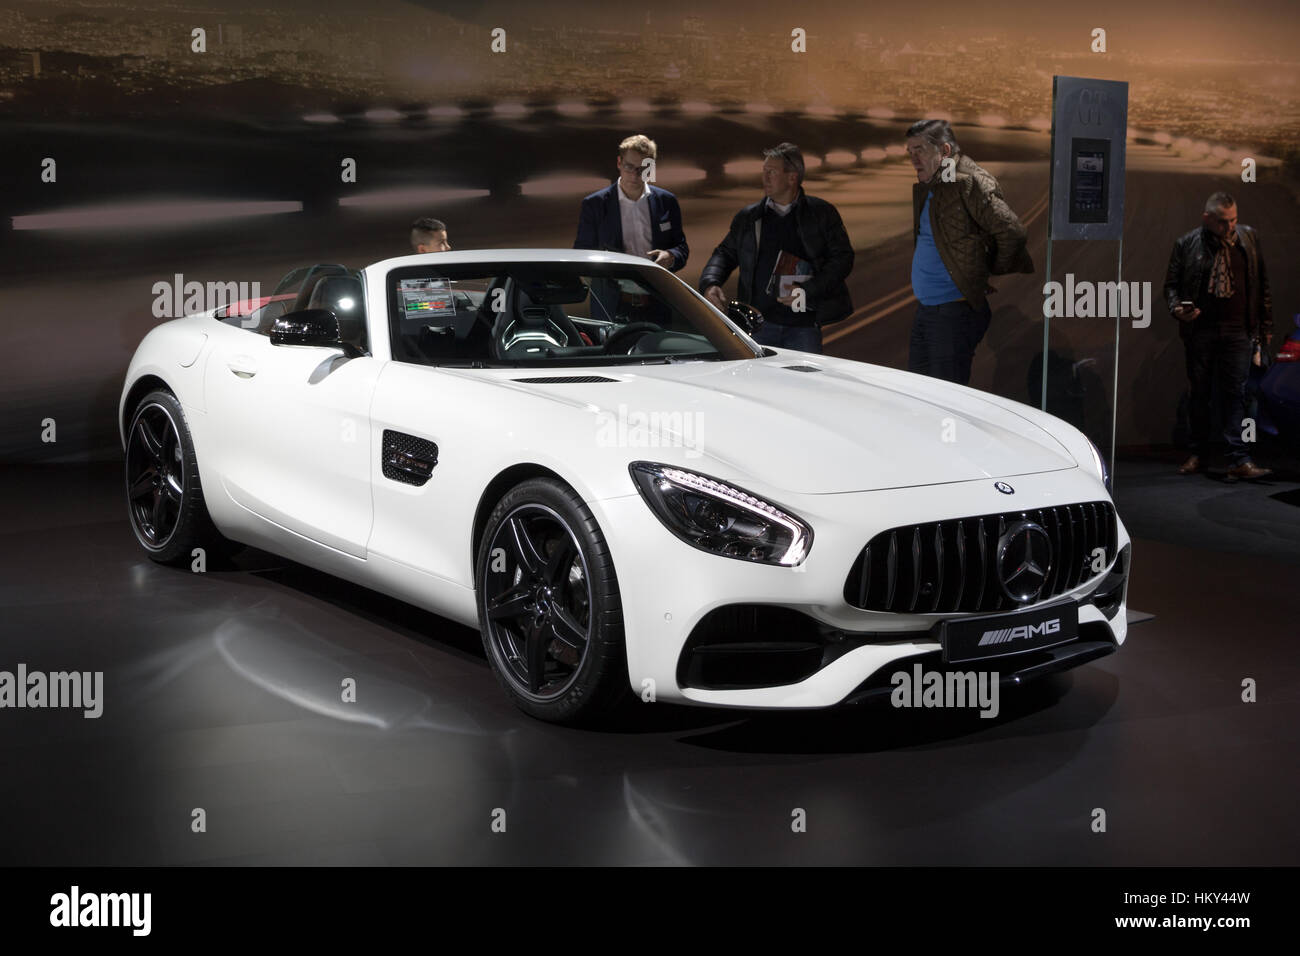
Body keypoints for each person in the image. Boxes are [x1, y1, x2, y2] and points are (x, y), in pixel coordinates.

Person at [904, 119, 1032, 385]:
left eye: (920, 150)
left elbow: (1012, 232)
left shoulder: (970, 182)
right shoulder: (934, 184)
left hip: (952, 314)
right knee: (918, 394)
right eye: (910, 152)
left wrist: (982, 270)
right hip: (928, 310)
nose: (914, 158)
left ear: (945, 151)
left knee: (947, 400)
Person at [699, 143, 853, 353]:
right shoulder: (749, 217)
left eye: (772, 172)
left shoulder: (822, 214)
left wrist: (808, 290)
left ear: (792, 177)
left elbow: (842, 259)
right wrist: (710, 283)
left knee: (803, 384)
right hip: (758, 325)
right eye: (764, 171)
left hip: (803, 327)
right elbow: (724, 253)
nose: (765, 178)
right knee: (759, 385)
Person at [1164, 192, 1273, 480]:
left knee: (1235, 394)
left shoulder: (1248, 240)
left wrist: (1264, 331)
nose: (1230, 227)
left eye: (1234, 219)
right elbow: (1171, 286)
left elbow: (1262, 288)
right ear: (1207, 219)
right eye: (1224, 222)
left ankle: (1238, 457)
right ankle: (1199, 454)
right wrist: (1178, 309)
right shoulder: (1187, 244)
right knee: (1200, 394)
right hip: (1201, 330)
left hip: (1239, 330)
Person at [574, 134, 688, 322]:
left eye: (643, 168)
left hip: (658, 302)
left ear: (651, 167)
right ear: (619, 163)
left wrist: (671, 256)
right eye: (629, 166)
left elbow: (682, 247)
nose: (635, 174)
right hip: (611, 304)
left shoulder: (667, 201)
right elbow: (581, 253)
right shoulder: (595, 204)